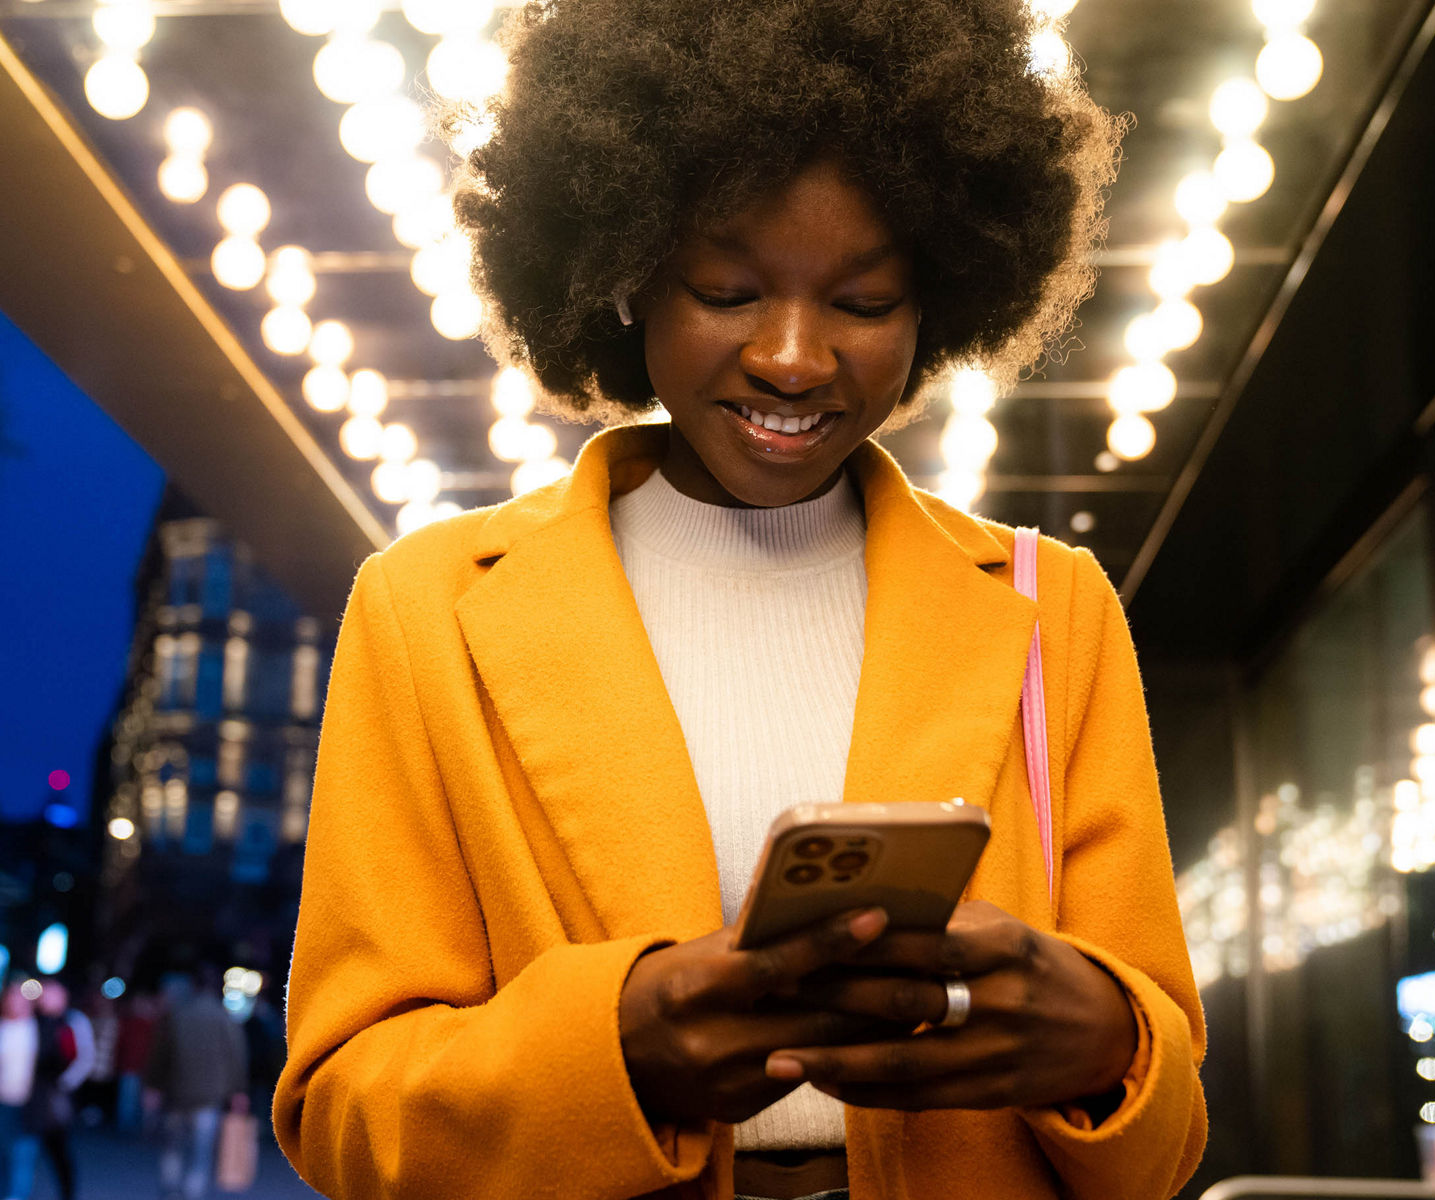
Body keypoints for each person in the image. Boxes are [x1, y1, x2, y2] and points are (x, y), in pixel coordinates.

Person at [271, 3, 1208, 1198]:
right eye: (723, 288)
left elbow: (1167, 1128)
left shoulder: (1052, 611)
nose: (794, 357)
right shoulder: (424, 614)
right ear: (622, 278)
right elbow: (346, 1114)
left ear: (939, 307)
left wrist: (1107, 1045)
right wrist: (612, 1054)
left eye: (863, 304)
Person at [146, 969, 245, 1200]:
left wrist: (153, 1085)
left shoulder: (177, 1014)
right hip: (210, 1095)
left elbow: (160, 1054)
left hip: (177, 1091)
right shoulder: (224, 1017)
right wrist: (238, 1091)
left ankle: (170, 1190)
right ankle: (193, 1192)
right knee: (201, 1151)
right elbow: (236, 1056)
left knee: (173, 1146)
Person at [0, 982, 69, 1200]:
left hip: (30, 1103)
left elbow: (59, 1060)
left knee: (23, 1155)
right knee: (1, 1153)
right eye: (11, 998)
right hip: (0, 1100)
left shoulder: (42, 1027)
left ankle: (16, 1196)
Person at [34, 979, 94, 1200]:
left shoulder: (74, 1021)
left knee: (58, 1147)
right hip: (33, 1093)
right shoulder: (35, 1019)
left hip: (57, 1092)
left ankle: (67, 1192)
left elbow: (85, 1057)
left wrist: (65, 1083)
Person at [112, 990, 156, 1135]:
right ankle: (126, 1127)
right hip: (129, 1066)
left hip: (145, 1068)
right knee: (127, 1098)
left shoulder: (151, 1025)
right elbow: (120, 1044)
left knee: (140, 1099)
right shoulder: (128, 1022)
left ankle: (139, 1127)